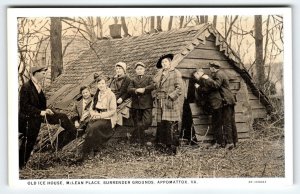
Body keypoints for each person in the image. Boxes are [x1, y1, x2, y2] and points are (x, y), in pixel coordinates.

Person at [19, 66, 78, 169]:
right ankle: (20, 165)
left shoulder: (38, 85)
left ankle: (74, 132)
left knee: (62, 116)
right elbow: (24, 107)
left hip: (39, 114)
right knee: (29, 142)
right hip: (28, 119)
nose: (44, 74)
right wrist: (40, 112)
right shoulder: (26, 87)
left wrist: (46, 110)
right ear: (35, 73)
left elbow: (40, 103)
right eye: (42, 72)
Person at [198, 61, 238, 149]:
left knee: (227, 122)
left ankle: (230, 143)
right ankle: (233, 142)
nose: (209, 69)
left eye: (210, 67)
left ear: (213, 68)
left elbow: (216, 85)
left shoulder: (219, 74)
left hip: (226, 100)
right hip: (227, 100)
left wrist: (207, 78)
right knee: (229, 121)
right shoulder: (220, 74)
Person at [79, 76, 117, 161]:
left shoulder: (111, 95)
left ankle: (86, 152)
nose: (101, 85)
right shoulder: (97, 94)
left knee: (94, 128)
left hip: (107, 118)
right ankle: (92, 149)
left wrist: (100, 115)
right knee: (89, 126)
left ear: (106, 84)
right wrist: (93, 114)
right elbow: (91, 108)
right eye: (99, 83)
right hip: (97, 116)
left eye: (102, 83)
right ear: (97, 85)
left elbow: (113, 111)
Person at [153, 54, 183, 155]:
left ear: (170, 63)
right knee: (162, 123)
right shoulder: (159, 74)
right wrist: (155, 95)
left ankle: (174, 147)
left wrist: (170, 97)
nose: (164, 64)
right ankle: (164, 145)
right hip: (160, 101)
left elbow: (179, 89)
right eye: (162, 62)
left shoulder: (175, 73)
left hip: (170, 102)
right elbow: (155, 86)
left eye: (165, 62)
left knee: (171, 124)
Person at [192, 68, 223, 148]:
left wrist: (198, 87)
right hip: (215, 104)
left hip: (216, 104)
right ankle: (217, 141)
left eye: (195, 75)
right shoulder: (205, 78)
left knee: (217, 123)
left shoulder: (204, 78)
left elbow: (206, 90)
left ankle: (218, 142)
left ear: (199, 73)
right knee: (216, 122)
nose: (195, 77)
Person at [128, 62, 155, 145]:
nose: (139, 70)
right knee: (137, 123)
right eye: (138, 69)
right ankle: (141, 141)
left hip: (147, 104)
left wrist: (144, 89)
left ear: (144, 70)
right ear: (135, 70)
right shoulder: (133, 80)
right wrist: (136, 90)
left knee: (147, 122)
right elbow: (129, 89)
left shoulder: (149, 78)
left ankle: (133, 135)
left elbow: (153, 86)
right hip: (136, 105)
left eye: (141, 69)